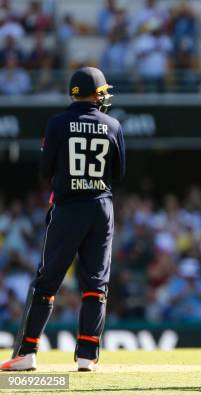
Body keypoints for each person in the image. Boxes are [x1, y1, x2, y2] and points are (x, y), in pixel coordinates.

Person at [1, 67, 126, 372]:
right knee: (96, 284)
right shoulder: (113, 124)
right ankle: (87, 355)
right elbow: (118, 174)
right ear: (95, 93)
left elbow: (45, 171)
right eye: (102, 91)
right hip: (100, 207)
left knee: (47, 282)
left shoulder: (57, 123)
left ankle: (27, 352)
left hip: (68, 208)